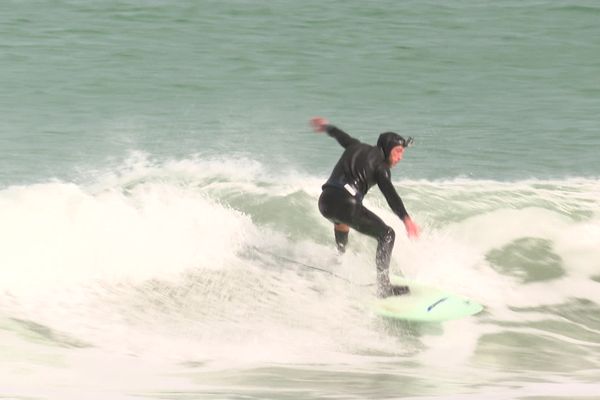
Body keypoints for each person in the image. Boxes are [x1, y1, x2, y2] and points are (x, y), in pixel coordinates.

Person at [311, 117, 420, 298]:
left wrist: (326, 127)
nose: (400, 157)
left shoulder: (355, 145)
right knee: (387, 235)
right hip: (346, 203)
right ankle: (384, 287)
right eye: (398, 151)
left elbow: (340, 136)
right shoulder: (382, 167)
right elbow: (390, 194)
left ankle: (340, 256)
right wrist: (406, 219)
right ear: (387, 148)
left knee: (341, 223)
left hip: (325, 202)